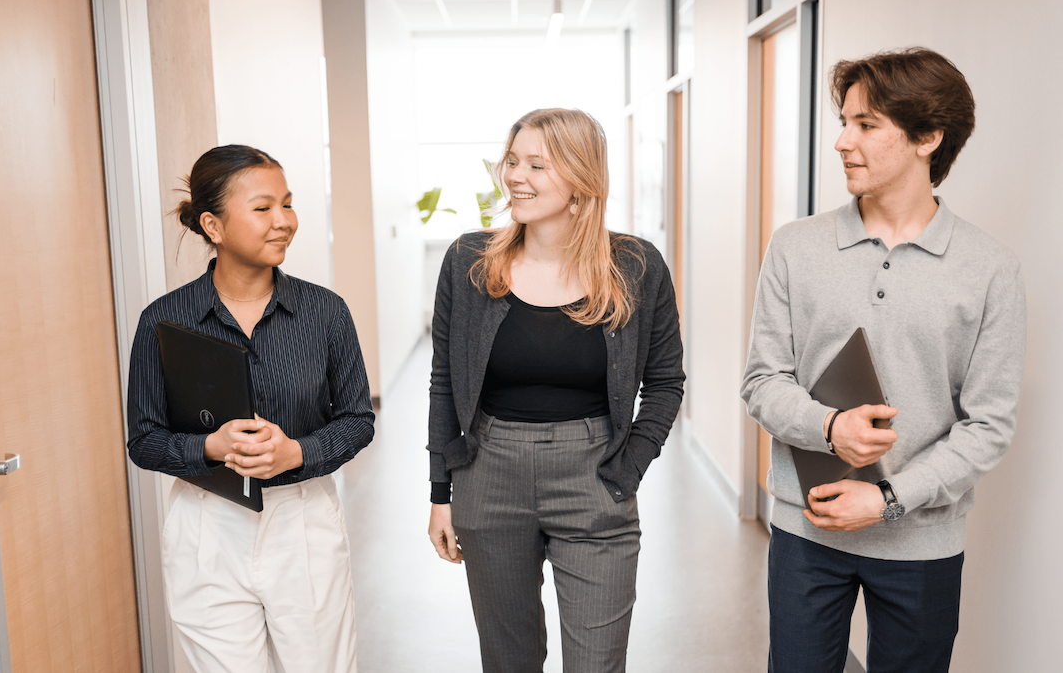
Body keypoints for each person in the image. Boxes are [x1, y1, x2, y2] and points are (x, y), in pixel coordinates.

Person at [741, 48, 1026, 672]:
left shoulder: (990, 269)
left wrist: (891, 498)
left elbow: (988, 424)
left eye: (866, 125)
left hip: (922, 540)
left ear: (928, 137)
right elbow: (763, 379)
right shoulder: (796, 247)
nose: (843, 141)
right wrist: (827, 427)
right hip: (805, 529)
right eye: (845, 122)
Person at [425, 108, 685, 673]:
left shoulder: (636, 266)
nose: (515, 175)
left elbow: (665, 383)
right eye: (512, 160)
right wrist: (440, 493)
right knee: (508, 660)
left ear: (582, 179)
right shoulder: (469, 262)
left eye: (537, 164)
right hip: (488, 474)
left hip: (594, 476)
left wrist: (627, 469)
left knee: (597, 662)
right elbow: (445, 379)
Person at [126, 145, 374, 673]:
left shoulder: (324, 311)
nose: (284, 221)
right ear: (213, 225)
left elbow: (357, 419)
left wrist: (297, 452)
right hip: (207, 523)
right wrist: (209, 447)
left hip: (302, 519)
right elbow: (144, 439)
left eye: (288, 204)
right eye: (264, 208)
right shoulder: (163, 321)